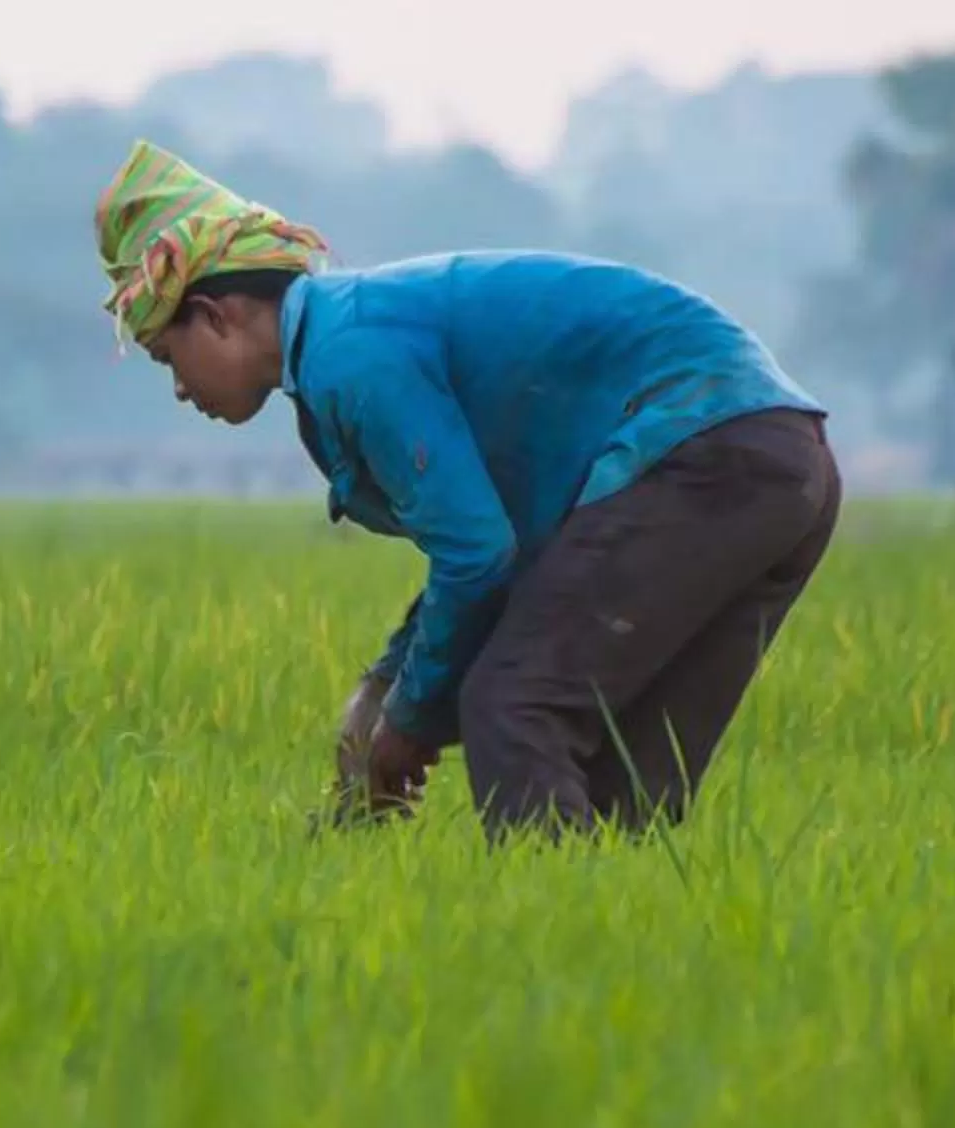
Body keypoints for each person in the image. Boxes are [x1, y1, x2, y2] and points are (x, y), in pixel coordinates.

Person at [94, 142, 840, 840]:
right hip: (783, 460)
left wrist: (407, 719)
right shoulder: (349, 339)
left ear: (217, 317)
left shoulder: (348, 356)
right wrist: (389, 687)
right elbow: (497, 547)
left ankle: (544, 942)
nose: (181, 390)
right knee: (618, 784)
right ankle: (616, 944)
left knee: (515, 708)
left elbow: (478, 556)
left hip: (703, 452)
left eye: (169, 358)